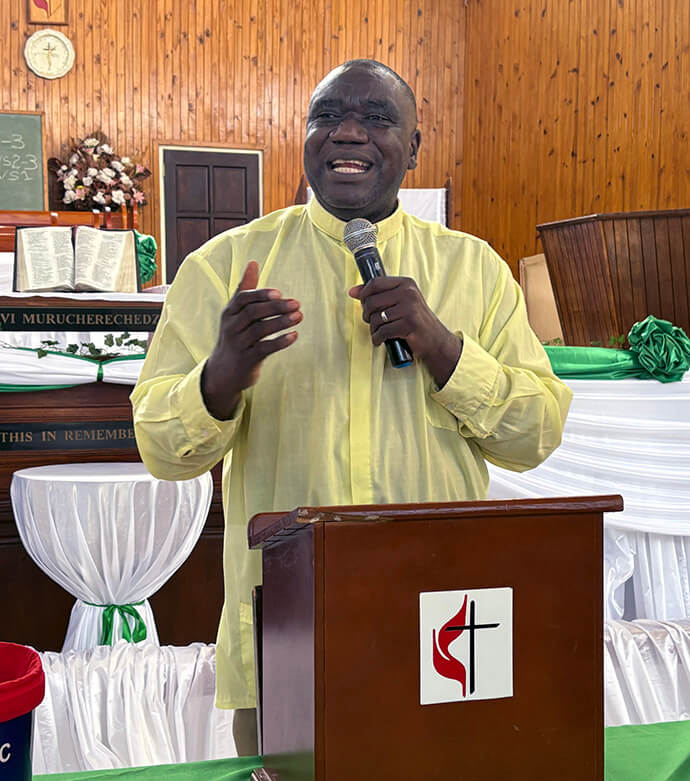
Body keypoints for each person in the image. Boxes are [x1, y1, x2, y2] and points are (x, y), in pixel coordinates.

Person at [130, 59, 572, 754]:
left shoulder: (474, 269)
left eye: (377, 118)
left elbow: (535, 434)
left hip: (443, 621)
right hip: (292, 621)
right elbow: (161, 450)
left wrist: (443, 349)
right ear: (305, 137)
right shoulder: (224, 266)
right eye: (328, 116)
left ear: (414, 147)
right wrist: (220, 377)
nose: (348, 133)